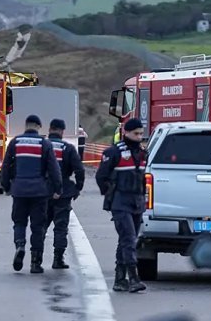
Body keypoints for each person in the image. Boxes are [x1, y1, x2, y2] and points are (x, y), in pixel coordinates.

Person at [1, 114, 62, 274]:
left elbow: (6, 166)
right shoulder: (44, 143)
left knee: (19, 222)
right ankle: (35, 263)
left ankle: (20, 245)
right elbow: (54, 169)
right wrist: (57, 189)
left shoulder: (15, 142)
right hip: (39, 192)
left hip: (19, 190)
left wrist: (6, 186)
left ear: (26, 125)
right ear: (38, 127)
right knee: (38, 227)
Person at [96, 118, 148, 293]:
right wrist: (110, 194)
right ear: (125, 133)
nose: (139, 137)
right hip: (120, 202)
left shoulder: (142, 154)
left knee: (128, 239)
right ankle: (133, 278)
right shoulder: (114, 152)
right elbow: (101, 176)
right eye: (136, 134)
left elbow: (142, 179)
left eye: (141, 134)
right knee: (127, 238)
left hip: (137, 203)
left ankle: (120, 279)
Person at [45, 119, 84, 270]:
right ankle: (58, 259)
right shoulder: (67, 148)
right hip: (64, 192)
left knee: (40, 226)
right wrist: (78, 188)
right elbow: (79, 170)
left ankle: (36, 259)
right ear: (62, 131)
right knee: (60, 227)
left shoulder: (42, 146)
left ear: (49, 129)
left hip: (43, 191)